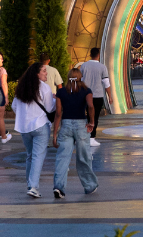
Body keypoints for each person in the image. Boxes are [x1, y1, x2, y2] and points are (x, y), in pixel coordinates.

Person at [10, 61, 58, 199]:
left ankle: (30, 184)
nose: (46, 73)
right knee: (38, 156)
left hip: (24, 127)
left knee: (30, 156)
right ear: (37, 73)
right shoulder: (44, 88)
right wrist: (55, 101)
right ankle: (33, 186)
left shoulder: (22, 88)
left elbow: (14, 106)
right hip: (40, 125)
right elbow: (50, 108)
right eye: (43, 70)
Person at [52, 68, 99, 198]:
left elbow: (58, 113)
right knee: (83, 157)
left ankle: (59, 187)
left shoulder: (61, 92)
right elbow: (90, 106)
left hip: (66, 125)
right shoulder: (86, 91)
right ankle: (89, 186)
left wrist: (55, 134)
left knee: (62, 158)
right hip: (81, 125)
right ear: (80, 77)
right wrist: (92, 122)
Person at [76, 49, 110, 141]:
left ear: (90, 55)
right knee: (95, 116)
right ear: (98, 55)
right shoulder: (102, 67)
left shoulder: (84, 66)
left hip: (85, 95)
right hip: (98, 95)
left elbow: (80, 81)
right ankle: (92, 136)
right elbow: (106, 83)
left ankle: (84, 134)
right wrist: (109, 96)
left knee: (85, 115)